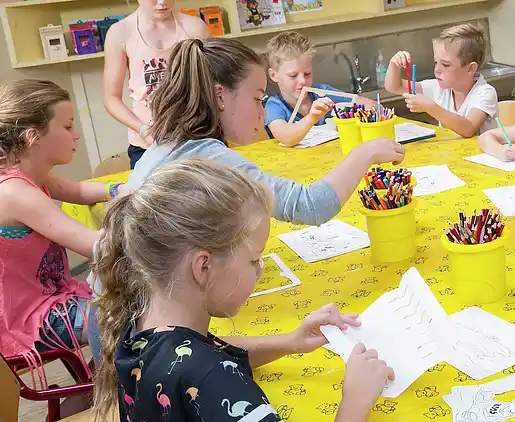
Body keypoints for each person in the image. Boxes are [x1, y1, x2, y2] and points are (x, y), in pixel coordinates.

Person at [92, 158, 394, 422]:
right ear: (203, 268)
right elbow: (209, 369)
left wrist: (290, 342)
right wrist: (356, 400)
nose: (260, 271)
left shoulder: (138, 326)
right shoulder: (214, 379)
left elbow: (204, 351)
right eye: (253, 260)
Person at [126, 37, 405, 226]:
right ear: (220, 96)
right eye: (258, 98)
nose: (262, 112)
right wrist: (364, 154)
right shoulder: (208, 159)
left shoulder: (167, 145)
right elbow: (310, 206)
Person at [0, 79, 114, 381]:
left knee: (129, 314)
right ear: (33, 136)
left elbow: (77, 190)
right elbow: (95, 245)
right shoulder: (16, 193)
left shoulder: (30, 175)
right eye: (67, 127)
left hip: (47, 300)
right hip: (30, 319)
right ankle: (105, 395)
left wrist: (121, 189)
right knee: (130, 315)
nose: (76, 135)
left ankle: (100, 388)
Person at [102, 0, 211, 169]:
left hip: (196, 137)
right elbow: (111, 98)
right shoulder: (120, 33)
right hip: (147, 144)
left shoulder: (195, 27)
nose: (162, 2)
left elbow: (213, 83)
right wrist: (143, 130)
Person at [385, 23, 498, 137]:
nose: (437, 69)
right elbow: (394, 86)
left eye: (446, 65)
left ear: (470, 68)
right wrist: (394, 65)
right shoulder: (439, 87)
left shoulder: (485, 93)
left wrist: (430, 107)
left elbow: (468, 128)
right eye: (436, 62)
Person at [264, 31, 376, 146]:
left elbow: (370, 105)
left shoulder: (323, 92)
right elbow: (286, 138)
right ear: (274, 75)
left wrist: (355, 119)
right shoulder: (274, 106)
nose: (302, 81)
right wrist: (311, 118)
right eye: (293, 75)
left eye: (307, 73)